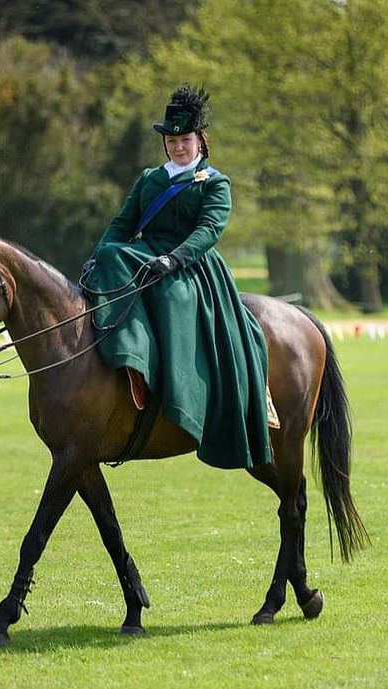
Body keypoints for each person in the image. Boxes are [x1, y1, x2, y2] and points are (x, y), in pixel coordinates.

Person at [81, 84, 273, 470]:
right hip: (144, 255)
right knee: (110, 255)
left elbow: (208, 231)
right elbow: (122, 225)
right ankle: (126, 361)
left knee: (172, 298)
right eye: (171, 140)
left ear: (199, 139)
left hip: (190, 264)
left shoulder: (215, 182)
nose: (177, 147)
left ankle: (179, 390)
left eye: (184, 139)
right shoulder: (150, 178)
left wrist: (173, 259)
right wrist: (98, 256)